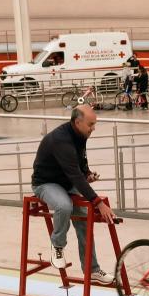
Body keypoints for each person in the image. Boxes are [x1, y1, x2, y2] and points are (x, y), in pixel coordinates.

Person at [31, 105, 115, 284]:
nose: (94, 128)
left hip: (66, 183)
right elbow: (73, 174)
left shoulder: (80, 134)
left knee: (84, 222)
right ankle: (57, 246)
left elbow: (80, 161)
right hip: (46, 184)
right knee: (64, 206)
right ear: (77, 122)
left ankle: (92, 270)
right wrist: (98, 202)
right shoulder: (61, 139)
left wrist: (87, 173)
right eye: (91, 124)